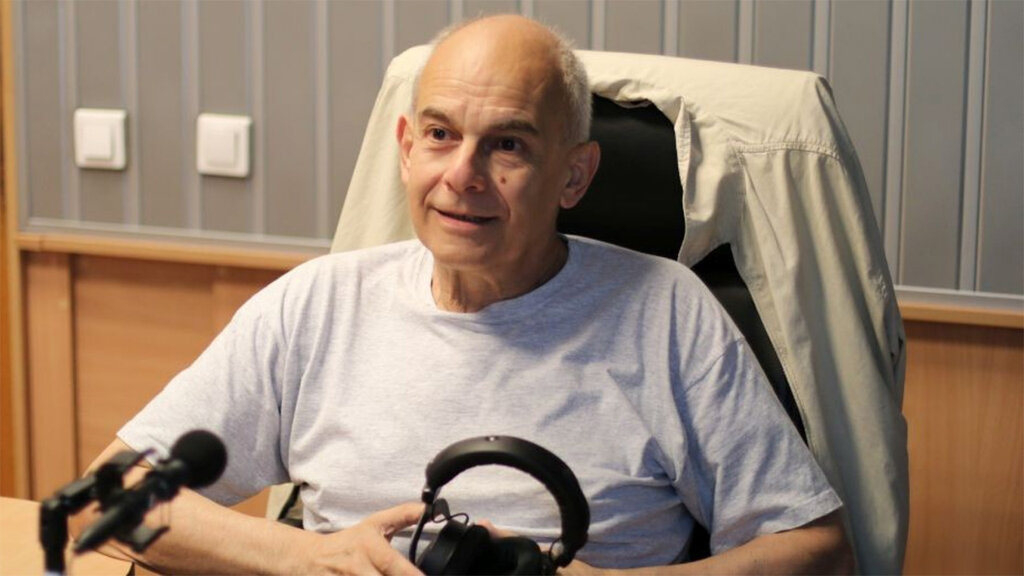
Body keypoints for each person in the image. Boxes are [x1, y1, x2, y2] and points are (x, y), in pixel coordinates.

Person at [72, 15, 853, 575]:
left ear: (574, 175)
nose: (462, 175)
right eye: (441, 135)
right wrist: (311, 557)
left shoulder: (668, 313)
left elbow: (817, 549)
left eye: (507, 144)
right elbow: (111, 496)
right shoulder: (318, 303)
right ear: (406, 147)